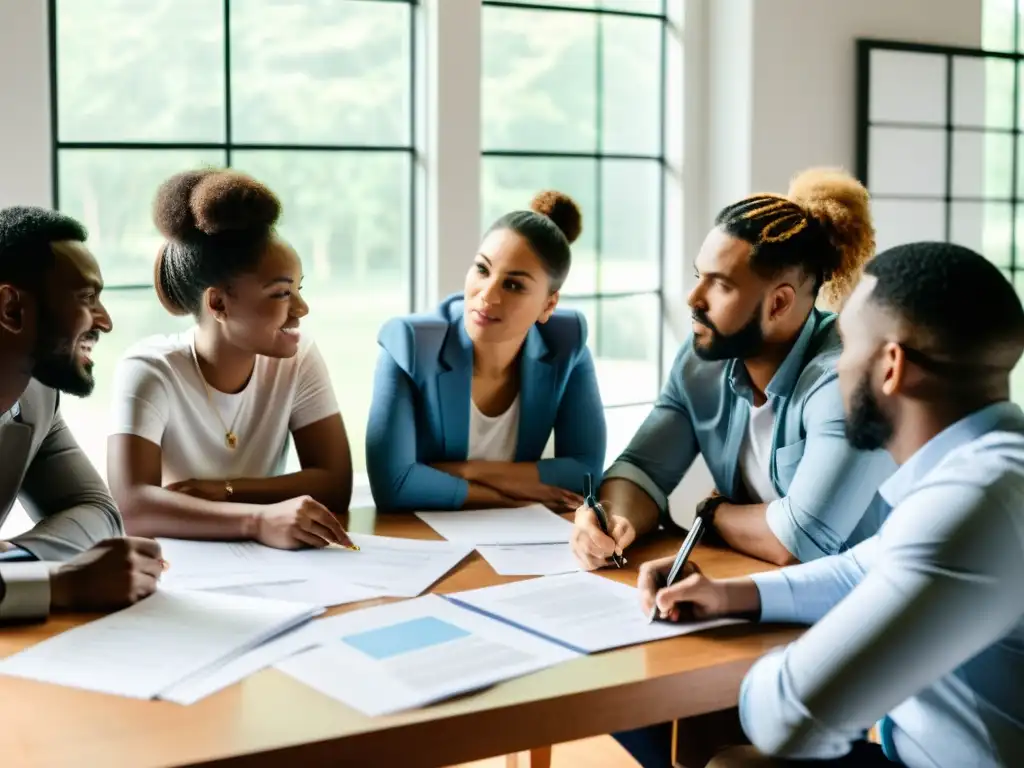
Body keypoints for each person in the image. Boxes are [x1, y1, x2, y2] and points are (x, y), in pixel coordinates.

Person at [640, 242, 1024, 768]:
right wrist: (728, 595)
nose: (837, 368)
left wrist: (719, 678)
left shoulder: (970, 505)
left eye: (846, 347)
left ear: (891, 367)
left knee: (722, 757)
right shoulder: (986, 469)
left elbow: (789, 721)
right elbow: (859, 571)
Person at [571, 168, 896, 574]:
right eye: (698, 277)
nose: (693, 298)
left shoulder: (844, 380)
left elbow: (799, 542)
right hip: (759, 589)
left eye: (720, 285)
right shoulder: (700, 362)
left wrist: (712, 512)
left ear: (779, 304)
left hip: (881, 603)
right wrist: (609, 519)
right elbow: (641, 470)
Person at [107, 169, 354, 550]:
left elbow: (334, 484)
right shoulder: (149, 370)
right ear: (218, 303)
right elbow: (134, 506)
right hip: (180, 568)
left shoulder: (298, 356)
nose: (301, 309)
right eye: (281, 294)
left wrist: (222, 492)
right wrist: (257, 520)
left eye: (299, 290)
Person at [367, 191, 605, 512]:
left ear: (548, 304)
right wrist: (509, 494)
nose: (487, 296)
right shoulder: (410, 344)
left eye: (513, 285)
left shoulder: (566, 342)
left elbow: (585, 471)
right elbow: (393, 485)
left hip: (516, 542)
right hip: (423, 533)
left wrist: (468, 470)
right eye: (482, 269)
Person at [0, 206, 163, 622]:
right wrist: (61, 585)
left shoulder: (36, 396)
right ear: (11, 309)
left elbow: (97, 511)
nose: (105, 322)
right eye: (87, 298)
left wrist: (18, 561)